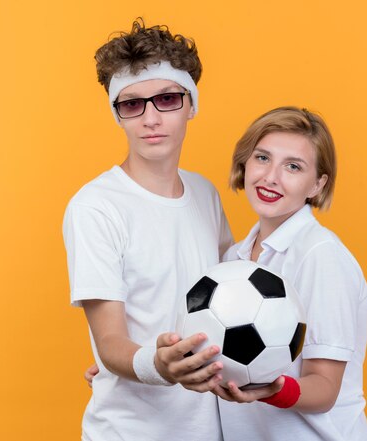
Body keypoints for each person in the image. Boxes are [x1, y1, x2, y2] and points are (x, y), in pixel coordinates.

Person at [63, 18, 233, 440]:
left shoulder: (205, 193)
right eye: (132, 104)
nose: (151, 117)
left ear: (191, 104)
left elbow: (235, 291)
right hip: (128, 431)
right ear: (117, 114)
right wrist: (151, 364)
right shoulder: (96, 207)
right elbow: (111, 342)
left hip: (207, 428)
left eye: (167, 99)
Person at [213, 106, 367, 440]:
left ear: (317, 184)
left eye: (293, 166)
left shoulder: (320, 256)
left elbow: (325, 388)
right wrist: (145, 370)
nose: (271, 177)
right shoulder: (233, 260)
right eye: (262, 158)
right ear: (244, 162)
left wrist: (269, 389)